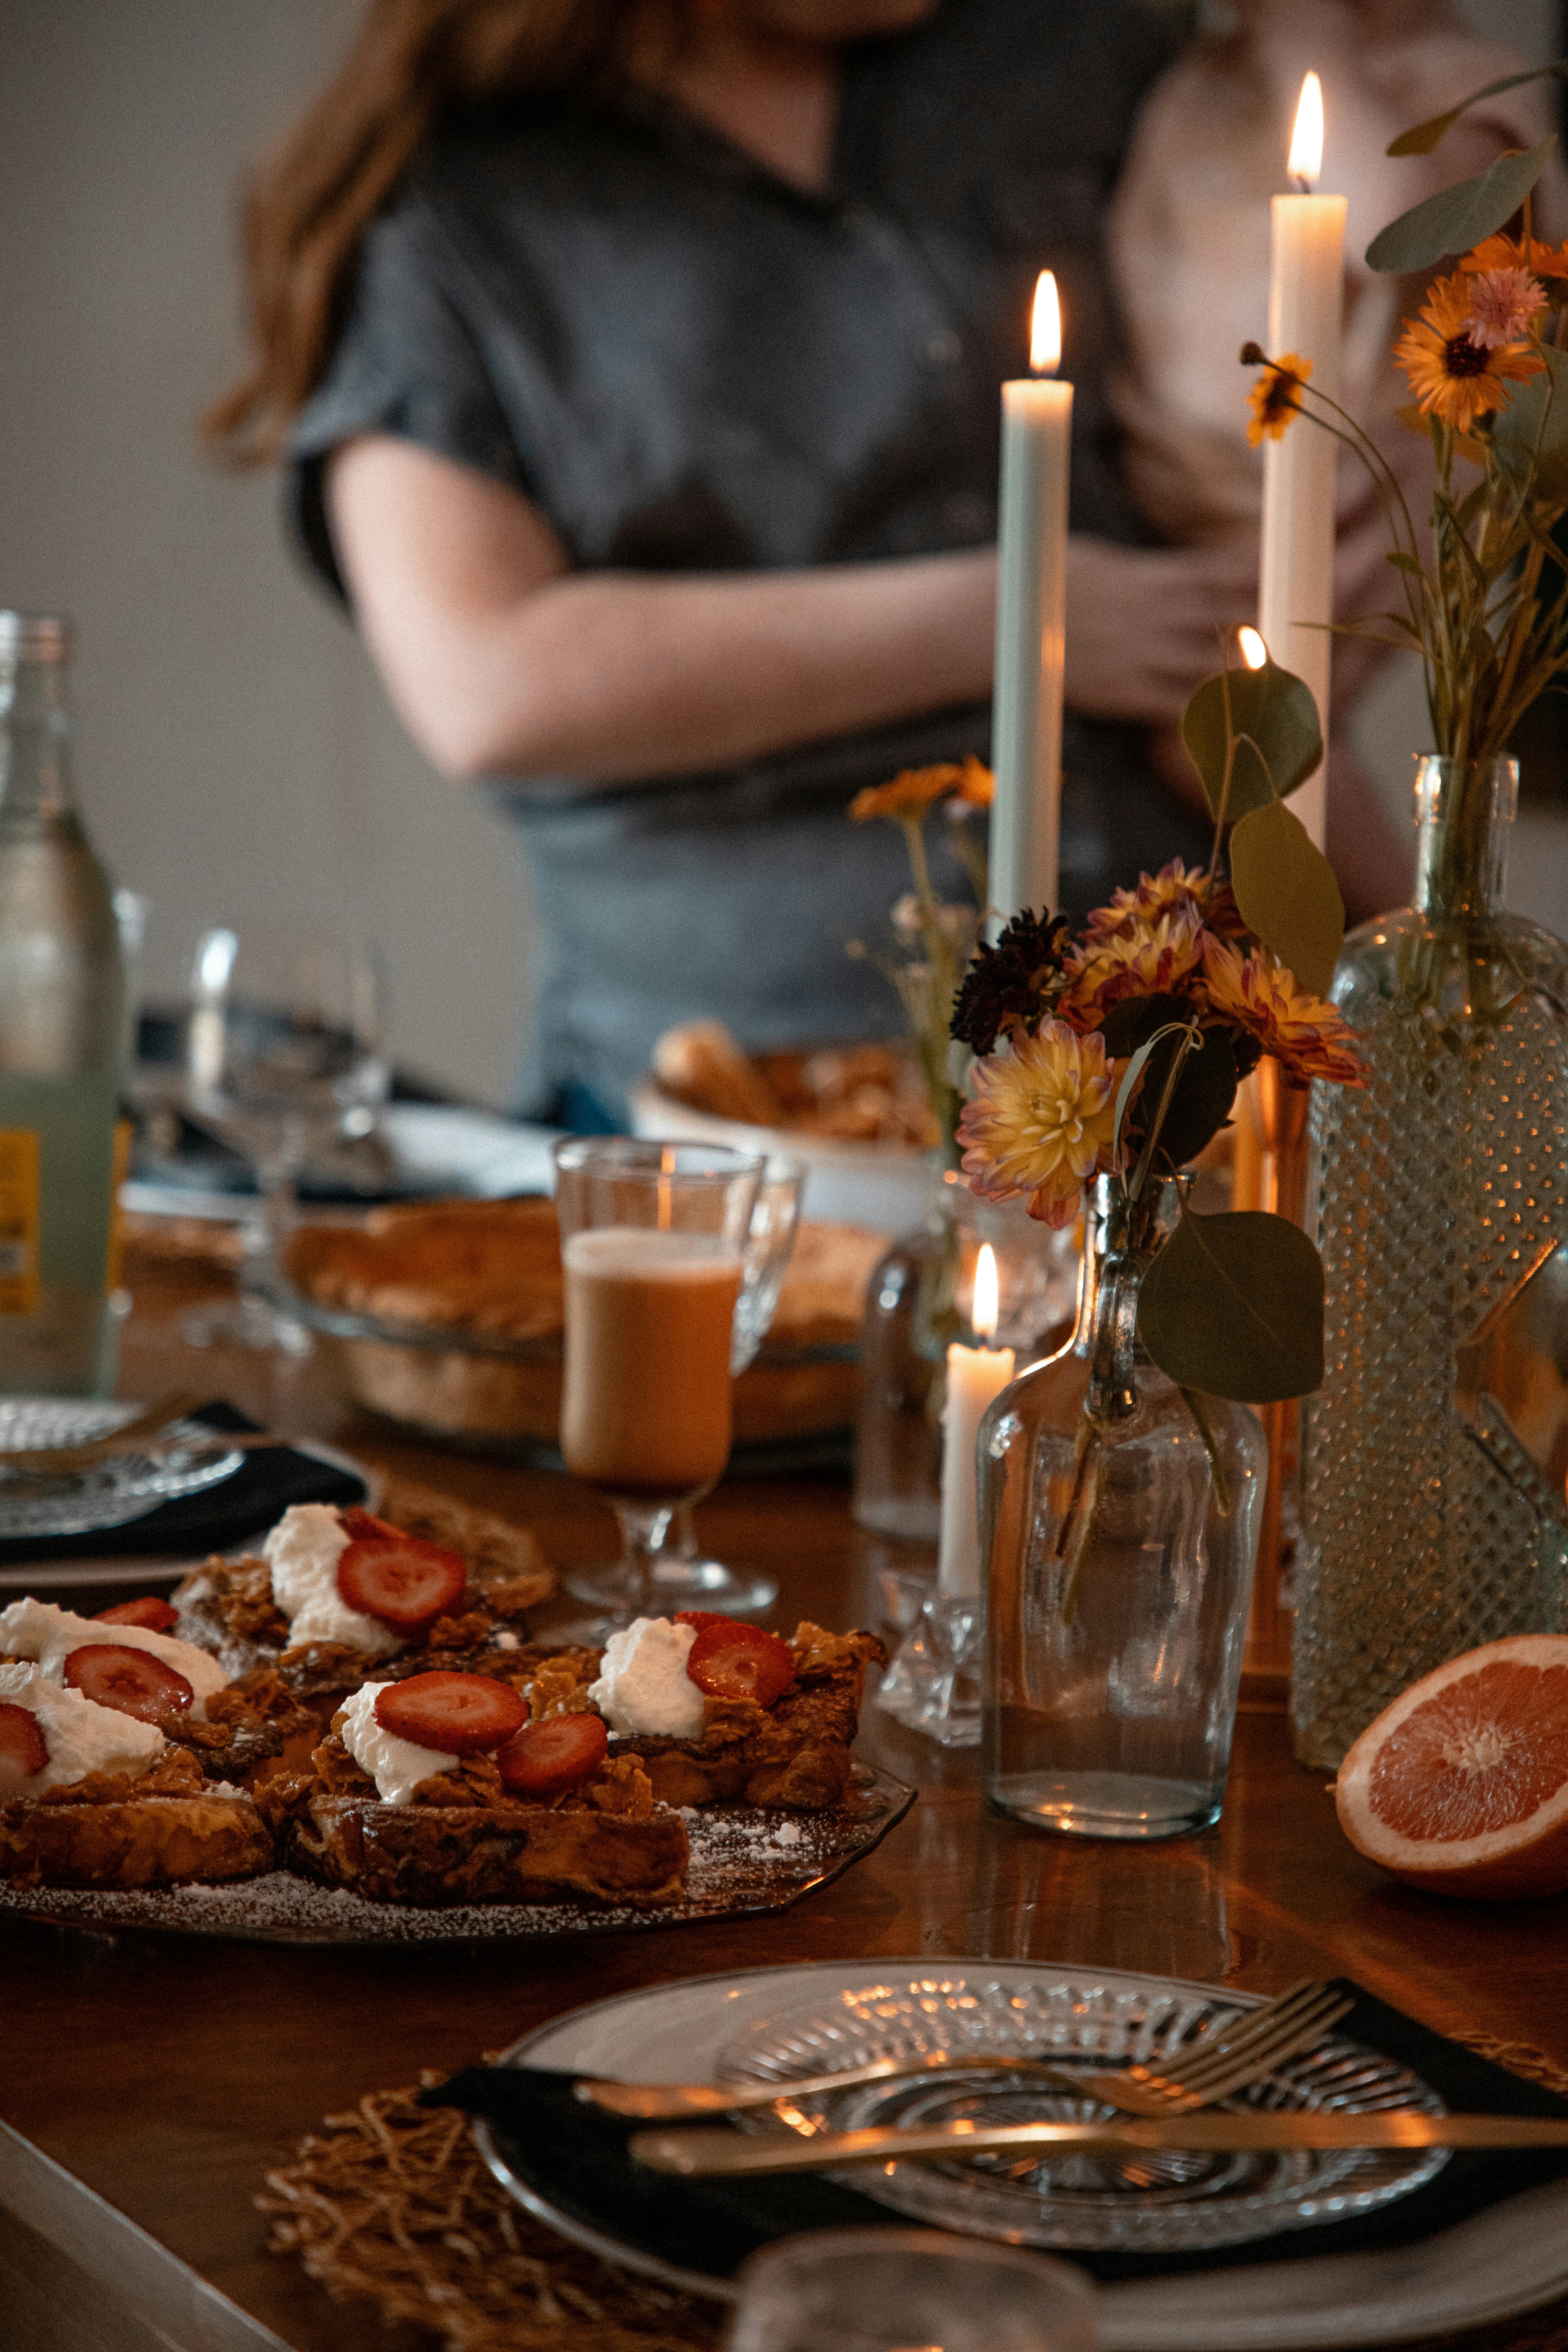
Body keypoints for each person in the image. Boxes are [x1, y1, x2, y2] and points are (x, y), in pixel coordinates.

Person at [211, 0, 1264, 1126]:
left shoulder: (1071, 57)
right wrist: (1012, 617)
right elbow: (489, 682)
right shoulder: (453, 218)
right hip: (736, 1090)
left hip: (1189, 1024)